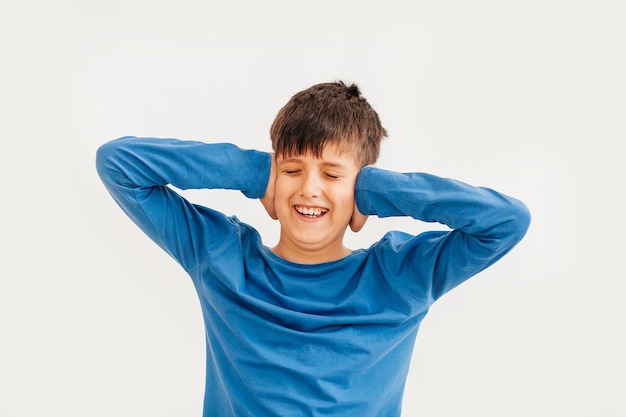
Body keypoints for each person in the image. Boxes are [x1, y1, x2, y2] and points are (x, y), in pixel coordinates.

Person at [96, 81, 530, 416]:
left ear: (359, 187)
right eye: (292, 169)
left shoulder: (399, 276)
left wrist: (376, 190)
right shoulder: (221, 258)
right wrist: (253, 172)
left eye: (332, 175)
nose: (309, 189)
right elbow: (118, 163)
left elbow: (506, 222)